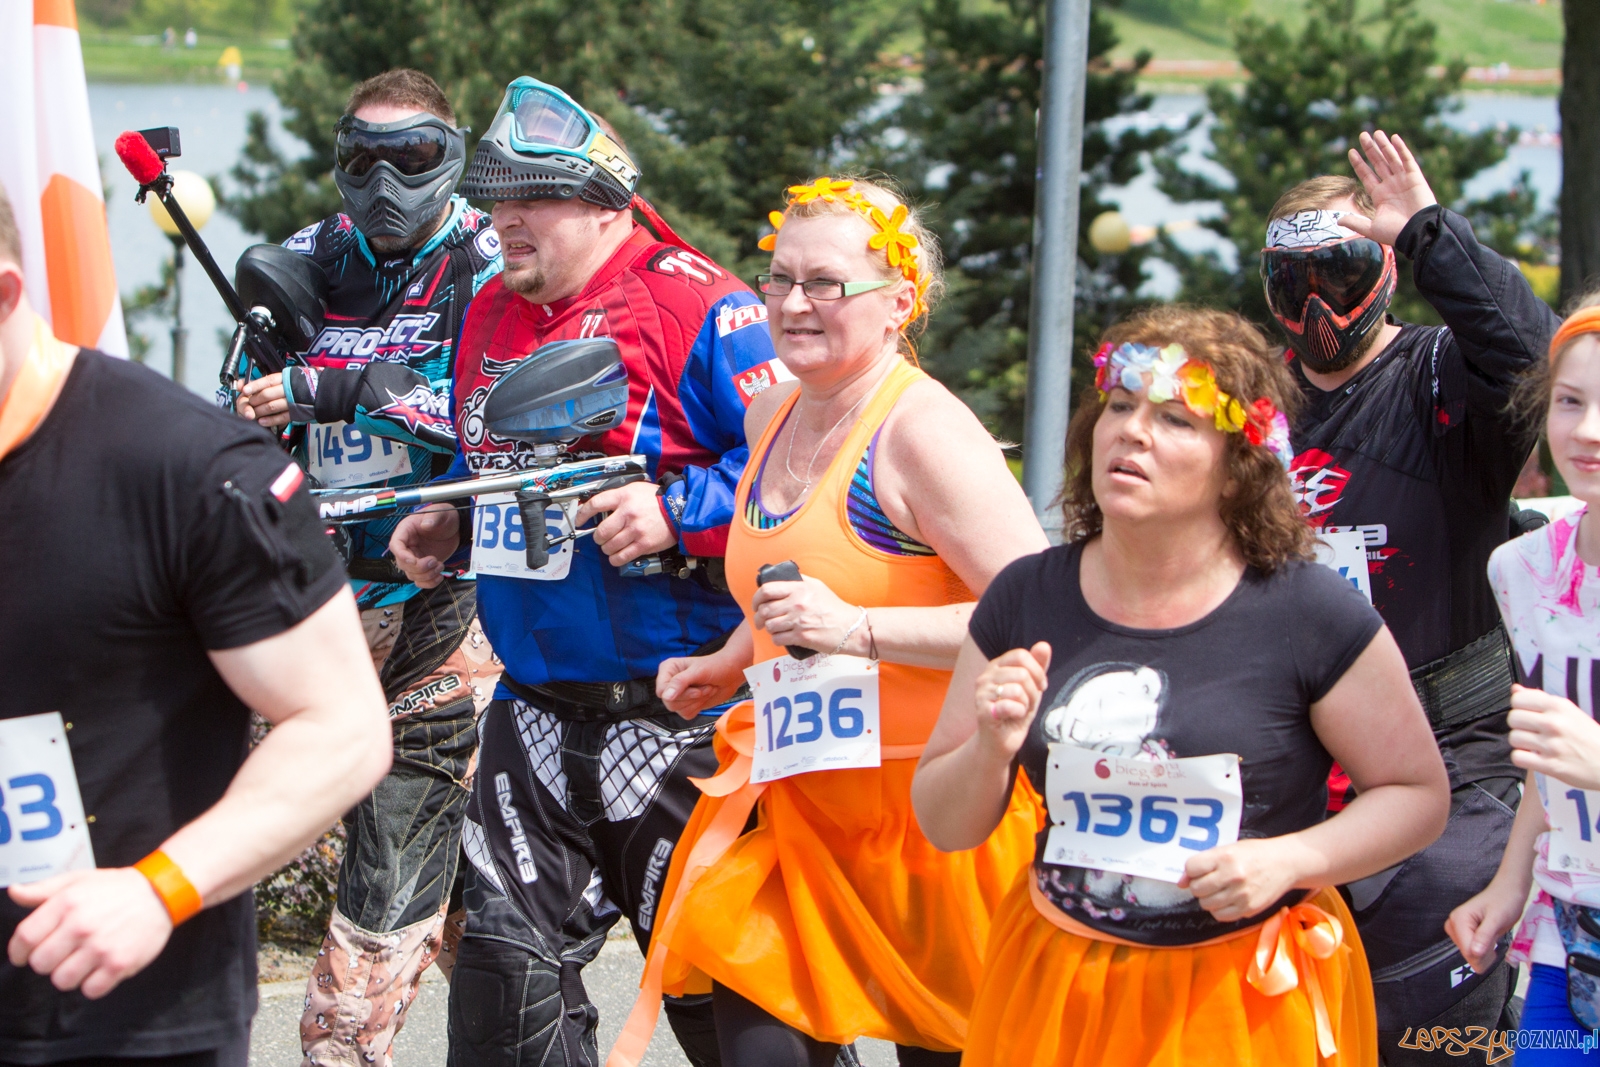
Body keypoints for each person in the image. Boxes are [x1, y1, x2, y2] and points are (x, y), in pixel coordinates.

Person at [912, 306, 1452, 1066]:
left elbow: (1417, 795)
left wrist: (1292, 859)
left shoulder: (1308, 610)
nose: (1132, 431)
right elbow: (946, 823)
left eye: (1175, 419)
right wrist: (990, 750)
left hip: (1240, 1000)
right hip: (1059, 985)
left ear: (1238, 465)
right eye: (1121, 407)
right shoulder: (1024, 596)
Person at [602, 175, 1048, 1067]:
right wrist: (733, 655)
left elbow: (1042, 614)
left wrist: (858, 632)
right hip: (798, 817)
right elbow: (792, 581)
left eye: (826, 285)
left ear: (899, 304)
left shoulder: (923, 433)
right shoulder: (770, 414)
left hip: (935, 830)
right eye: (779, 278)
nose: (794, 304)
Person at [388, 77, 780, 1067]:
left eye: (528, 198)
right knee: (502, 1006)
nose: (500, 218)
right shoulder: (489, 310)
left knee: (731, 1006)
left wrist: (680, 514)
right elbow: (488, 465)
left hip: (686, 712)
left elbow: (803, 476)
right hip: (533, 708)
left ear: (606, 205)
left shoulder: (708, 304)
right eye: (493, 197)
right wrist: (449, 519)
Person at [0, 185, 392, 1064]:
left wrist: (157, 891)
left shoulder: (187, 469)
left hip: (111, 1020)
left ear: (6, 296)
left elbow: (343, 728)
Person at [1263, 130, 1560, 1060]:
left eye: (1343, 272)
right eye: (1292, 281)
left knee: (1424, 1035)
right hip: (1291, 768)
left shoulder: (1438, 375)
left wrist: (1430, 231)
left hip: (1448, 773)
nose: (1319, 303)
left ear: (1385, 272)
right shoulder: (1250, 405)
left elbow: (1532, 357)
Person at [233, 69, 504, 1067]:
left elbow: (495, 410)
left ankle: (339, 1045)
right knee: (483, 911)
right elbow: (244, 409)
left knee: (392, 860)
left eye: (415, 157)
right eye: (362, 160)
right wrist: (270, 404)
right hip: (324, 607)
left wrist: (346, 385)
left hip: (448, 597)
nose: (385, 183)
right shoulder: (306, 257)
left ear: (455, 152)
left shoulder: (487, 256)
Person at [1447, 298, 1600, 1063]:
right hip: (1563, 937)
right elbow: (1551, 755)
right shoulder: (1524, 568)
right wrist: (1509, 887)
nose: (1590, 429)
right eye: (1571, 401)